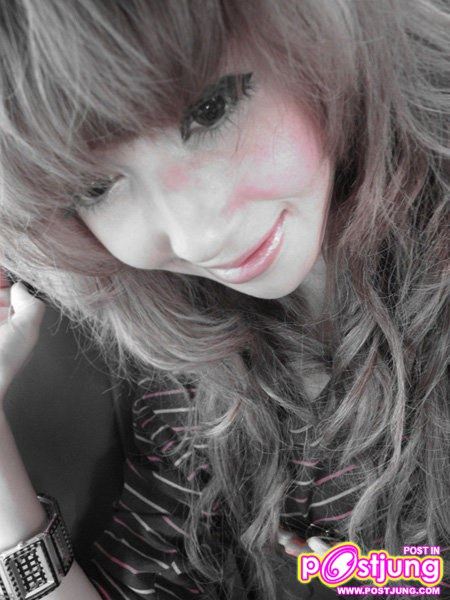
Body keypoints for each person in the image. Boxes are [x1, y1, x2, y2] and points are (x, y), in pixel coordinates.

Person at [0, 0, 448, 599]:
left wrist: (390, 578)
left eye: (211, 110)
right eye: (97, 187)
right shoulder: (189, 366)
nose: (197, 237)